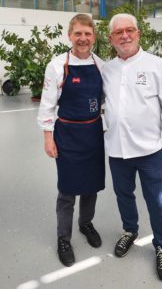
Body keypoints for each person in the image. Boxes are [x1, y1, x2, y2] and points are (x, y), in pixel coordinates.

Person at [102, 13, 162, 281]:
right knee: (124, 195)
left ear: (138, 33)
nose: (125, 35)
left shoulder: (159, 65)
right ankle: (130, 230)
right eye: (119, 32)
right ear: (111, 38)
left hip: (151, 151)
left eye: (130, 30)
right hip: (117, 150)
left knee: (157, 202)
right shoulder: (107, 69)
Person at [37, 14, 105, 267]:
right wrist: (48, 138)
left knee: (91, 186)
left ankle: (85, 223)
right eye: (78, 33)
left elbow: (110, 99)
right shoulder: (57, 65)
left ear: (94, 37)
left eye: (87, 34)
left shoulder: (101, 64)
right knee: (67, 190)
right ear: (70, 35)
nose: (83, 38)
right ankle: (63, 238)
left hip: (94, 133)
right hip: (66, 134)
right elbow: (47, 106)